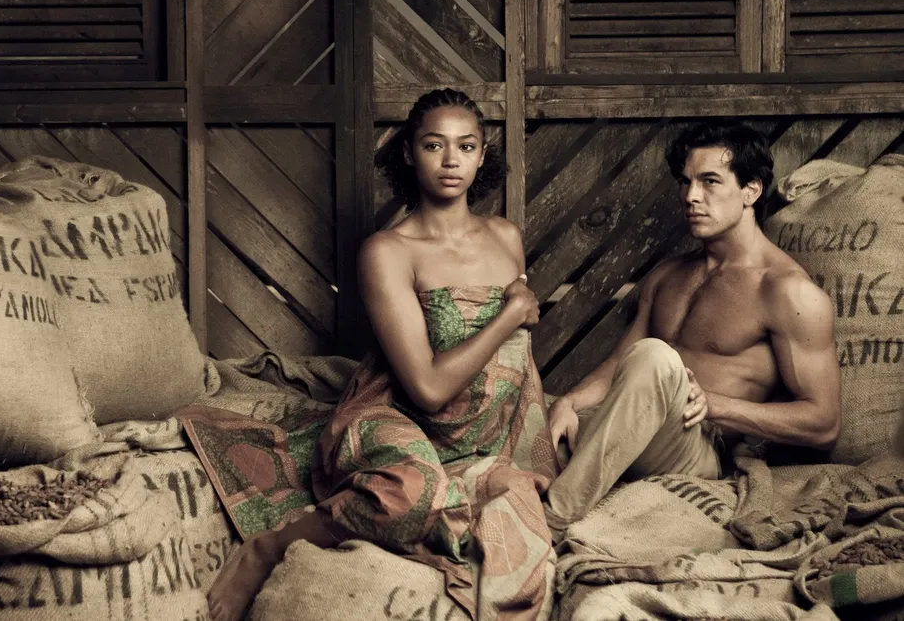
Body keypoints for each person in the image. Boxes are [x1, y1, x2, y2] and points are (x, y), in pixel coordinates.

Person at [203, 88, 556, 621]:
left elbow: (517, 359)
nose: (451, 159)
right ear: (410, 152)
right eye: (435, 145)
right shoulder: (388, 251)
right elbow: (428, 390)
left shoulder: (506, 236)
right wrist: (511, 313)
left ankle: (442, 507)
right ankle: (271, 546)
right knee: (408, 496)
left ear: (483, 155)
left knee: (522, 518)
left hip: (482, 432)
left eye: (466, 146)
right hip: (399, 414)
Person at [542, 120, 841, 536]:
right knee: (526, 401)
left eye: (710, 181)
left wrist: (717, 405)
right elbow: (617, 366)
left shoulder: (787, 292)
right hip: (635, 424)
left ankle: (552, 518)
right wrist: (569, 403)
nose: (691, 196)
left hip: (698, 447)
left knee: (654, 356)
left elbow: (824, 423)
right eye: (685, 182)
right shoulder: (668, 276)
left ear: (751, 191)